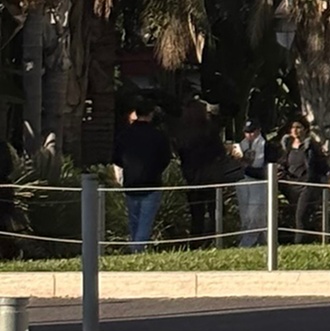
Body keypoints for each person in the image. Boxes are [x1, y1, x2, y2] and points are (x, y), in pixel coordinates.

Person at [112, 107, 173, 252]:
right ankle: (137, 249)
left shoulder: (124, 135)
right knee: (145, 222)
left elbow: (116, 157)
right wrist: (156, 169)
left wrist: (128, 167)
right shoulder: (158, 135)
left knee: (134, 221)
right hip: (152, 183)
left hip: (131, 183)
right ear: (150, 114)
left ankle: (135, 248)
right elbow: (166, 158)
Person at [174, 103, 232, 248]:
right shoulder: (210, 132)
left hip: (193, 178)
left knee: (197, 214)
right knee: (213, 210)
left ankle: (195, 242)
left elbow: (181, 155)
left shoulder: (185, 134)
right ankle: (213, 240)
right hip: (209, 178)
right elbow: (220, 153)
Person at [277, 119, 330, 243]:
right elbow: (283, 164)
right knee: (298, 217)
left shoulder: (311, 146)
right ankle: (307, 240)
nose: (295, 130)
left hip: (307, 185)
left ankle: (298, 245)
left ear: (305, 129)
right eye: (293, 127)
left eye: (298, 127)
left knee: (300, 217)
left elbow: (322, 166)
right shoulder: (287, 146)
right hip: (291, 186)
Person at [229, 120, 269, 247]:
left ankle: (247, 242)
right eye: (246, 132)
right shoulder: (241, 145)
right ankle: (264, 241)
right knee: (245, 213)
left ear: (258, 130)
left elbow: (265, 168)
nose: (249, 135)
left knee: (255, 212)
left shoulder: (265, 145)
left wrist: (245, 166)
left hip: (258, 182)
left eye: (252, 132)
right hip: (243, 182)